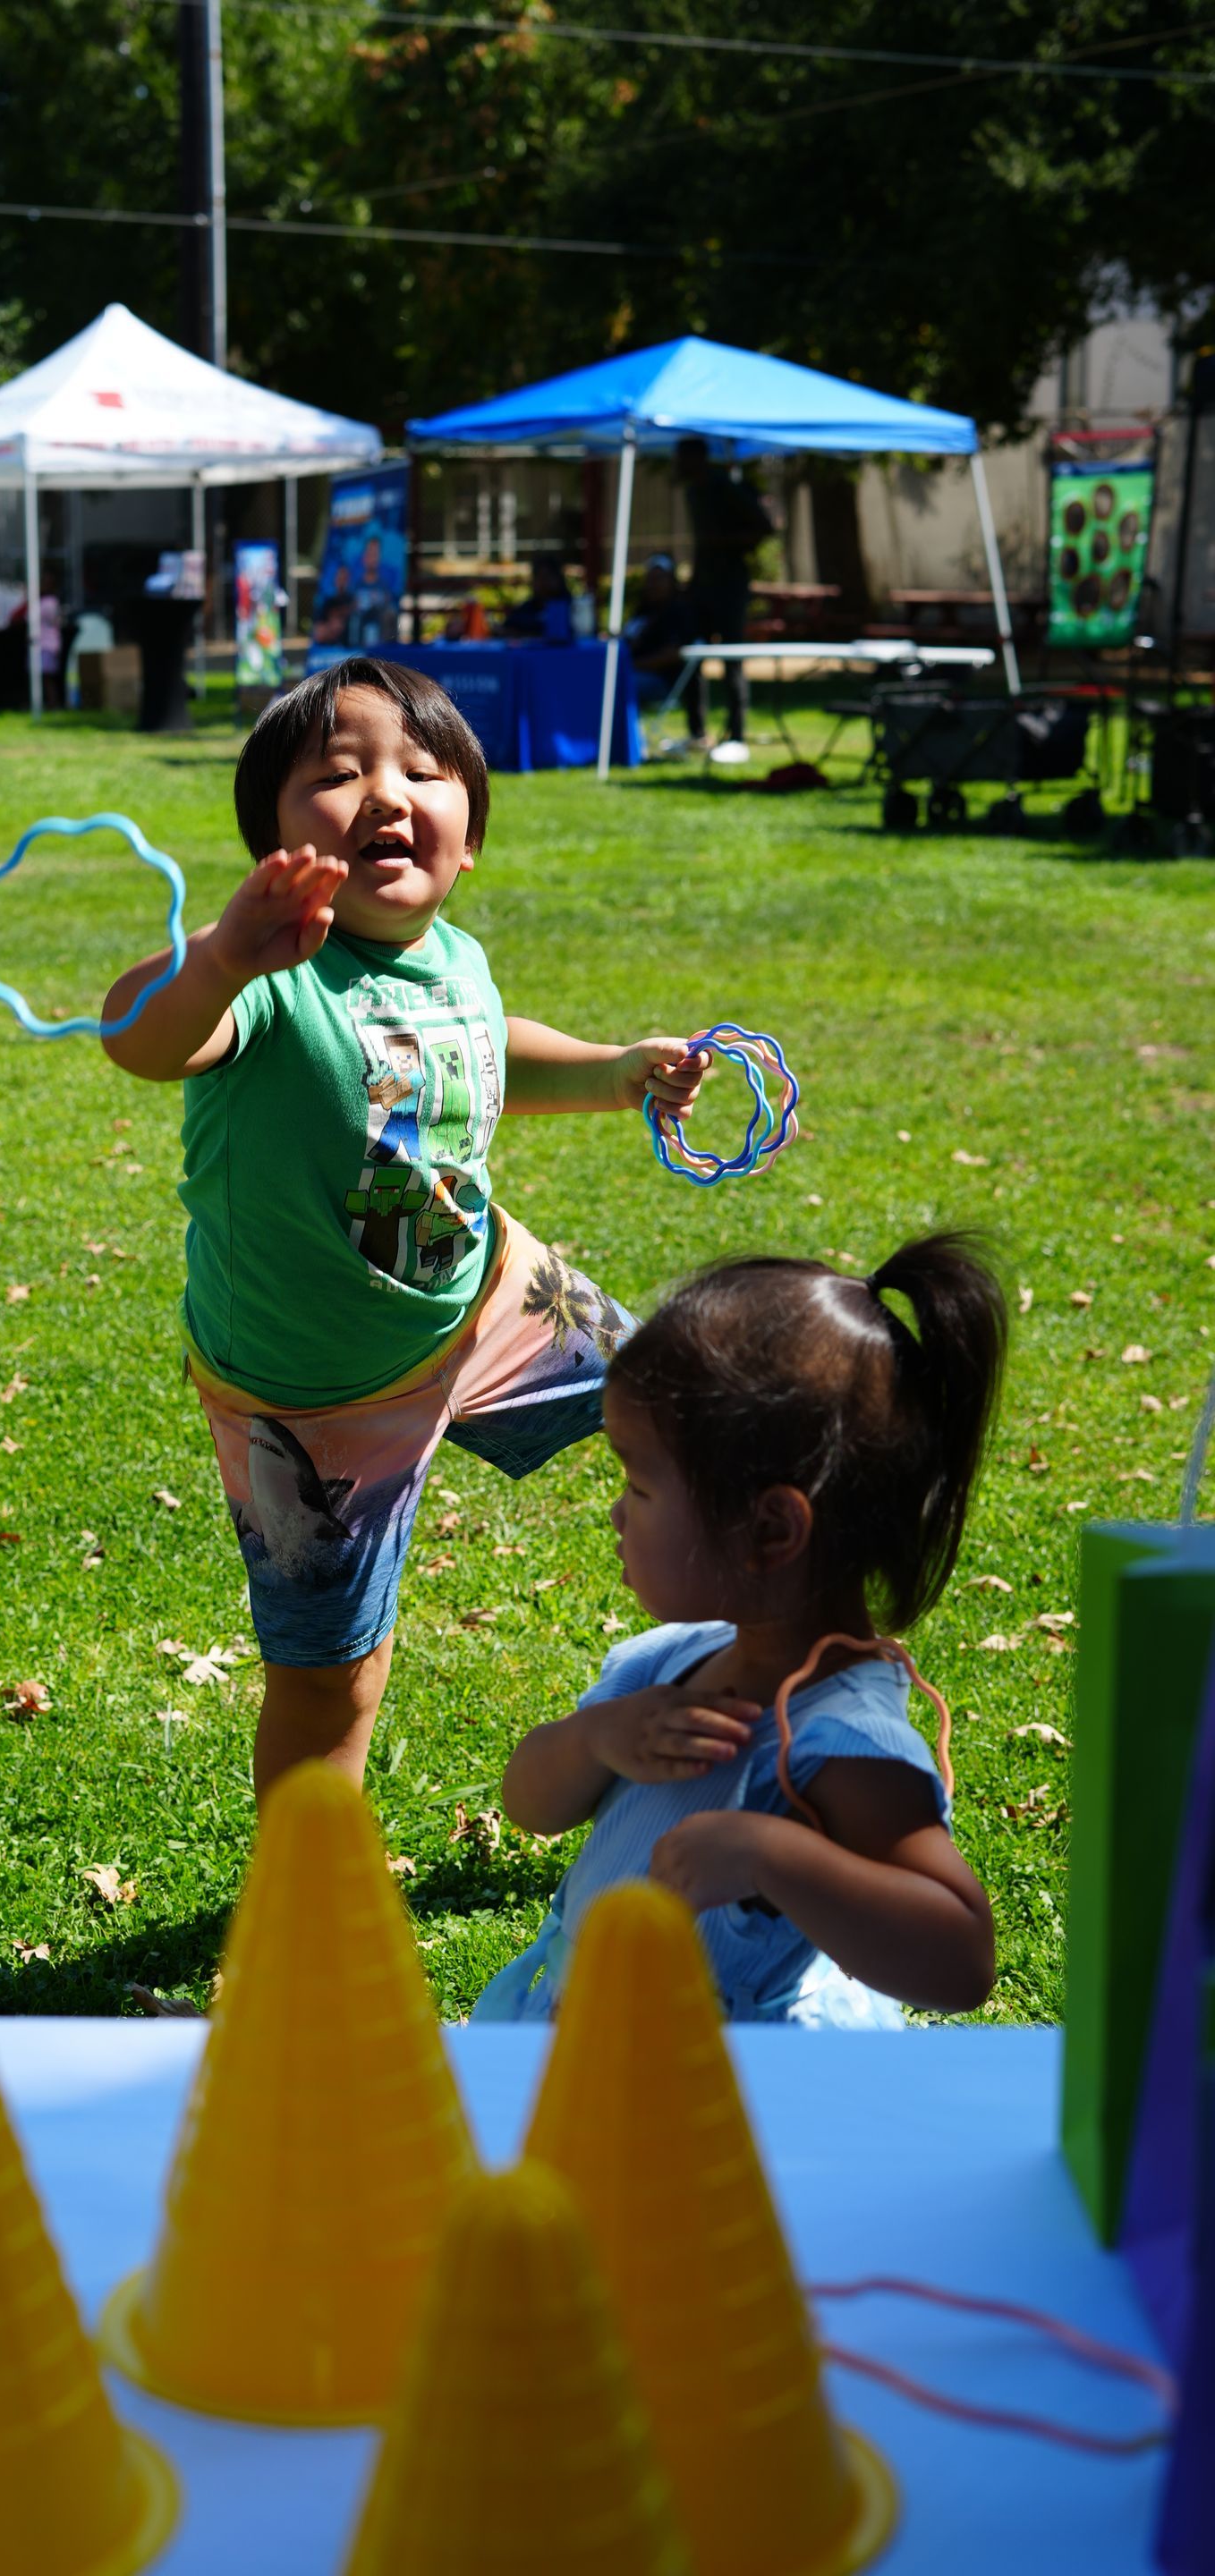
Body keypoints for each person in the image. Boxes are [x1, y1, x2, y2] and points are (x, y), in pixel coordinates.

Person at [100, 658, 709, 1797]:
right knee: (334, 1679)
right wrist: (222, 956)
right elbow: (140, 1036)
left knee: (684, 1400)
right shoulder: (273, 980)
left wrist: (612, 1071)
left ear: (469, 837)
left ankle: (744, 1658)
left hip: (486, 1297)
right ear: (274, 845)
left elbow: (480, 1042)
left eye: (424, 771)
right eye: (338, 774)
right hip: (317, 1398)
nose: (387, 793)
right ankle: (304, 1877)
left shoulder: (455, 957)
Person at [474, 1234, 1007, 2026]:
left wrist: (775, 1857)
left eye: (639, 1485)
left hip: (725, 2081)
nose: (617, 1513)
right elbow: (530, 1805)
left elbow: (960, 1962)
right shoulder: (670, 1665)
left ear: (771, 1529)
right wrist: (594, 1740)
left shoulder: (838, 1742)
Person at [675, 435, 774, 762]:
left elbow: (764, 527)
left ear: (698, 458)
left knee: (732, 659)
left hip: (730, 586)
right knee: (692, 655)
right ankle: (697, 733)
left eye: (682, 458)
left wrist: (725, 543)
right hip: (702, 586)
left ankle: (737, 735)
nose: (677, 464)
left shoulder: (726, 487)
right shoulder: (693, 492)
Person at [624, 555, 692, 707]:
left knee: (617, 683)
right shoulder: (643, 610)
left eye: (659, 579)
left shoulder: (678, 611)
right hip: (633, 671)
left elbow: (671, 655)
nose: (653, 584)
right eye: (650, 579)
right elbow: (628, 638)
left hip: (662, 681)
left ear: (671, 581)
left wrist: (632, 665)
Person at [501, 556, 573, 643]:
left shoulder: (573, 608)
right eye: (539, 577)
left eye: (548, 577)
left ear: (559, 579)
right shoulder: (526, 609)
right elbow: (506, 629)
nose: (544, 583)